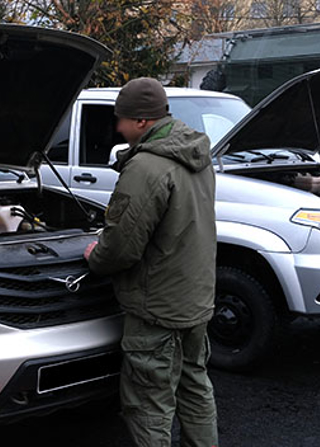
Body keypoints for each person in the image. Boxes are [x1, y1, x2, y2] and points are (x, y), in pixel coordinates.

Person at [84, 77, 218, 447]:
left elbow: (121, 247)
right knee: (195, 389)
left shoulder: (146, 168)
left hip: (156, 307)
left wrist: (95, 257)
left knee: (148, 404)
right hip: (195, 299)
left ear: (142, 121)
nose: (118, 127)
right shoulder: (196, 156)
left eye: (122, 120)